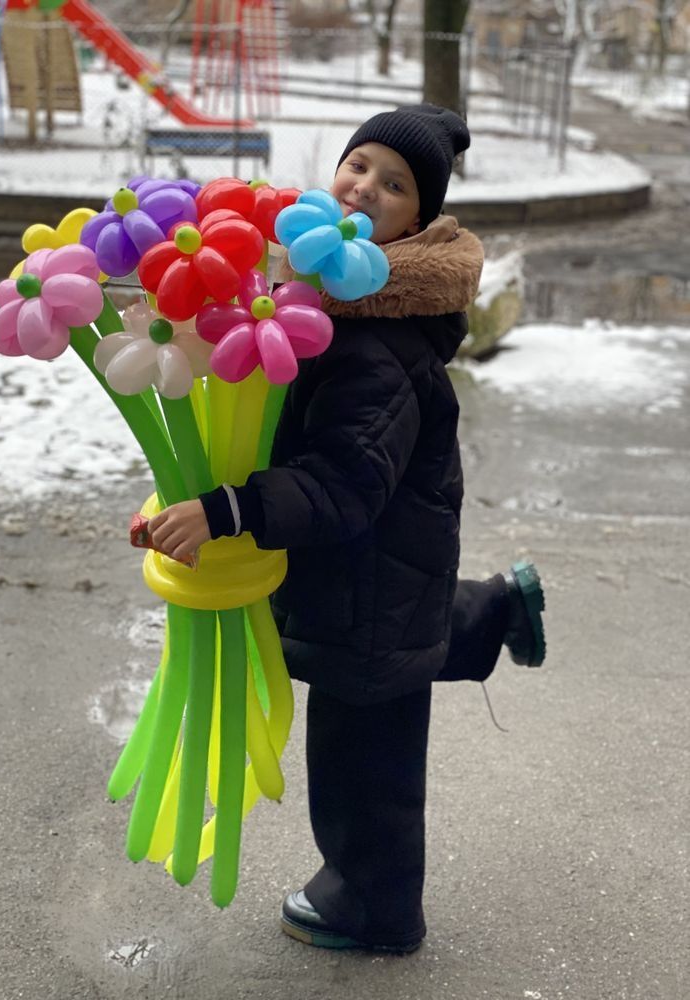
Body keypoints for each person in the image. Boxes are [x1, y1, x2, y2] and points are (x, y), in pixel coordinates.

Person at [147, 104, 546, 953]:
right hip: (376, 568)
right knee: (398, 649)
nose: (366, 187)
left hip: (365, 571)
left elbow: (346, 484)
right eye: (358, 164)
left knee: (364, 761)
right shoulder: (330, 297)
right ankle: (497, 611)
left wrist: (230, 512)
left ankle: (376, 908)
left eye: (395, 185)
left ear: (417, 220)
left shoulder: (380, 342)